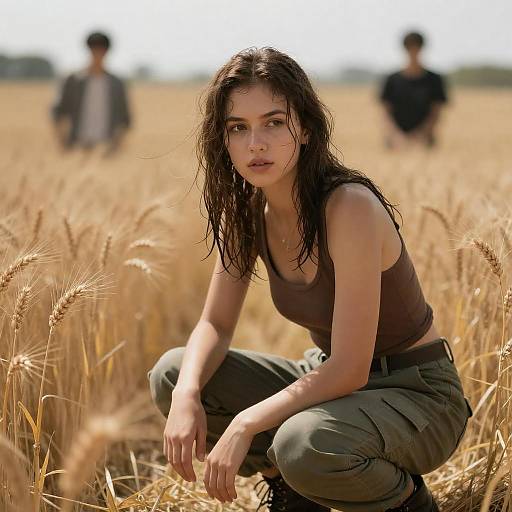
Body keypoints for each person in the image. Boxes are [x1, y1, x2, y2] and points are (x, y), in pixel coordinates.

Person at [148, 47, 472, 512]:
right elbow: (215, 326)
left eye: (273, 122)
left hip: (415, 393)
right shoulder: (246, 212)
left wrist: (245, 423)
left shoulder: (349, 207)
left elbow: (349, 368)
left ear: (304, 128)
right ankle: (292, 491)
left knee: (304, 442)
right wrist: (185, 394)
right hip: (329, 384)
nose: (255, 143)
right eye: (238, 127)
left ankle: (410, 504)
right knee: (174, 372)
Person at [51, 31, 131, 155]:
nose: (98, 54)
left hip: (106, 146)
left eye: (101, 50)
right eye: (94, 50)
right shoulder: (73, 81)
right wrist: (63, 142)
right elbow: (57, 112)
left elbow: (125, 118)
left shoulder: (116, 84)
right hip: (78, 145)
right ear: (88, 50)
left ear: (107, 52)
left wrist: (115, 146)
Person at [379, 31, 447, 149]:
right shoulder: (392, 80)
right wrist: (397, 136)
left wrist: (421, 135)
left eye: (416, 48)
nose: (413, 52)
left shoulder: (434, 80)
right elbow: (385, 112)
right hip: (395, 141)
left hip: (425, 141)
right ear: (405, 49)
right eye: (410, 48)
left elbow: (436, 112)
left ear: (422, 49)